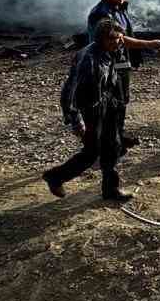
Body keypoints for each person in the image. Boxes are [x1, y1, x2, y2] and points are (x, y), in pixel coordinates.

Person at [44, 17, 134, 203]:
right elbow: (69, 91)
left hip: (108, 106)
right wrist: (75, 120)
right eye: (111, 39)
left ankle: (111, 190)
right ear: (100, 38)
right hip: (89, 110)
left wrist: (119, 102)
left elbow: (116, 76)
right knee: (91, 153)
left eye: (118, 38)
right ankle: (55, 177)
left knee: (113, 147)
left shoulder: (114, 51)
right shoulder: (88, 58)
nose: (116, 42)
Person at [86, 0, 160, 147]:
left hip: (121, 63)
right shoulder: (101, 14)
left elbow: (127, 36)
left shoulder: (120, 9)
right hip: (106, 65)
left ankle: (117, 135)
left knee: (121, 101)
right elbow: (121, 40)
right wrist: (149, 44)